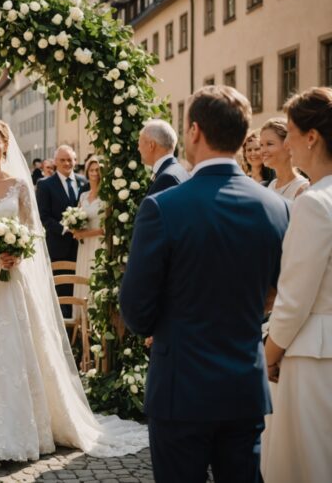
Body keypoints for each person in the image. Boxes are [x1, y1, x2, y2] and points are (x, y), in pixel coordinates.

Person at [0, 119, 147, 463]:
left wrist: (17, 253)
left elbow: (34, 233)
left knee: (14, 347)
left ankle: (18, 429)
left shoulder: (20, 186)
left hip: (12, 277)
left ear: (6, 144)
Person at [120, 86, 290, 483]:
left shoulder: (163, 207)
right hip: (244, 387)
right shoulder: (277, 207)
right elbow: (282, 290)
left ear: (194, 131)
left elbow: (136, 309)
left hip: (180, 388)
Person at [262, 87, 332, 483]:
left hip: (311, 357)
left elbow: (294, 301)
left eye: (288, 132)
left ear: (311, 137)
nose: (285, 143)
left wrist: (269, 353)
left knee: (306, 467)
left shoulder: (315, 202)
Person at [36, 145, 88, 317]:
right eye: (62, 160)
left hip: (82, 246)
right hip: (58, 246)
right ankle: (64, 328)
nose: (67, 163)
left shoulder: (84, 183)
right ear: (55, 162)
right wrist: (66, 230)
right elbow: (44, 217)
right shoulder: (45, 185)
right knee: (61, 290)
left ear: (75, 160)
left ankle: (79, 325)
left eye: (70, 160)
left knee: (79, 288)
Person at [72, 156, 104, 301]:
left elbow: (104, 229)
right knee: (83, 275)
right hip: (83, 245)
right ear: (87, 172)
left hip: (98, 243)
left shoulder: (106, 197)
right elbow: (76, 217)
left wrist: (85, 233)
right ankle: (81, 317)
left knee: (95, 276)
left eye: (97, 170)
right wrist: (74, 228)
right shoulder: (83, 196)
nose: (94, 173)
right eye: (91, 170)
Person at [261, 117, 309, 201]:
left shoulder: (302, 188)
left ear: (288, 145)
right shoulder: (272, 185)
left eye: (269, 144)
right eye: (261, 145)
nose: (263, 150)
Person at [137, 118, 190, 195]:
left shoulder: (167, 178)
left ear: (151, 145)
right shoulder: (179, 170)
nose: (138, 149)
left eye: (139, 144)